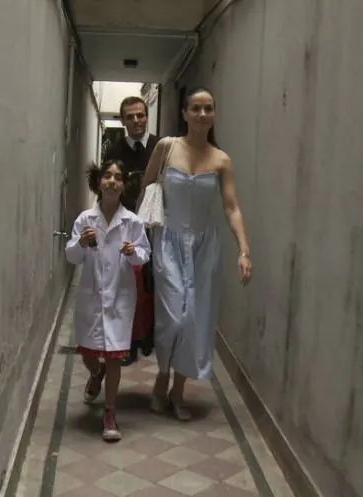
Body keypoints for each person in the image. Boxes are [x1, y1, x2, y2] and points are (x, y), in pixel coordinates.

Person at [138, 86, 253, 421]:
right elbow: (146, 188)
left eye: (209, 108)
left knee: (195, 319)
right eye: (196, 108)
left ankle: (178, 390)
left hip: (205, 248)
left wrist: (244, 250)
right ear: (185, 113)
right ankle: (162, 376)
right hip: (168, 242)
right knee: (173, 315)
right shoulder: (167, 147)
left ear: (214, 114)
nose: (203, 114)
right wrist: (133, 238)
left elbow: (231, 207)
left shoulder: (221, 160)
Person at [65, 159, 151, 442]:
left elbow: (144, 255)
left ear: (123, 186)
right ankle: (95, 373)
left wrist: (132, 252)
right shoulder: (85, 220)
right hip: (91, 296)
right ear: (99, 182)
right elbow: (72, 256)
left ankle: (110, 412)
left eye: (118, 177)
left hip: (119, 297)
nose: (112, 181)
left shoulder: (132, 222)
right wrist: (80, 243)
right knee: (89, 354)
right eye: (107, 176)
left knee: (115, 356)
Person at [103, 96, 160, 366]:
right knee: (126, 283)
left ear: (147, 116)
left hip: (155, 225)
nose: (136, 120)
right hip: (124, 225)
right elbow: (107, 187)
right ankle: (128, 341)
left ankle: (148, 335)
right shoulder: (114, 151)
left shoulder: (160, 146)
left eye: (140, 115)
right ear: (123, 120)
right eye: (130, 116)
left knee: (153, 280)